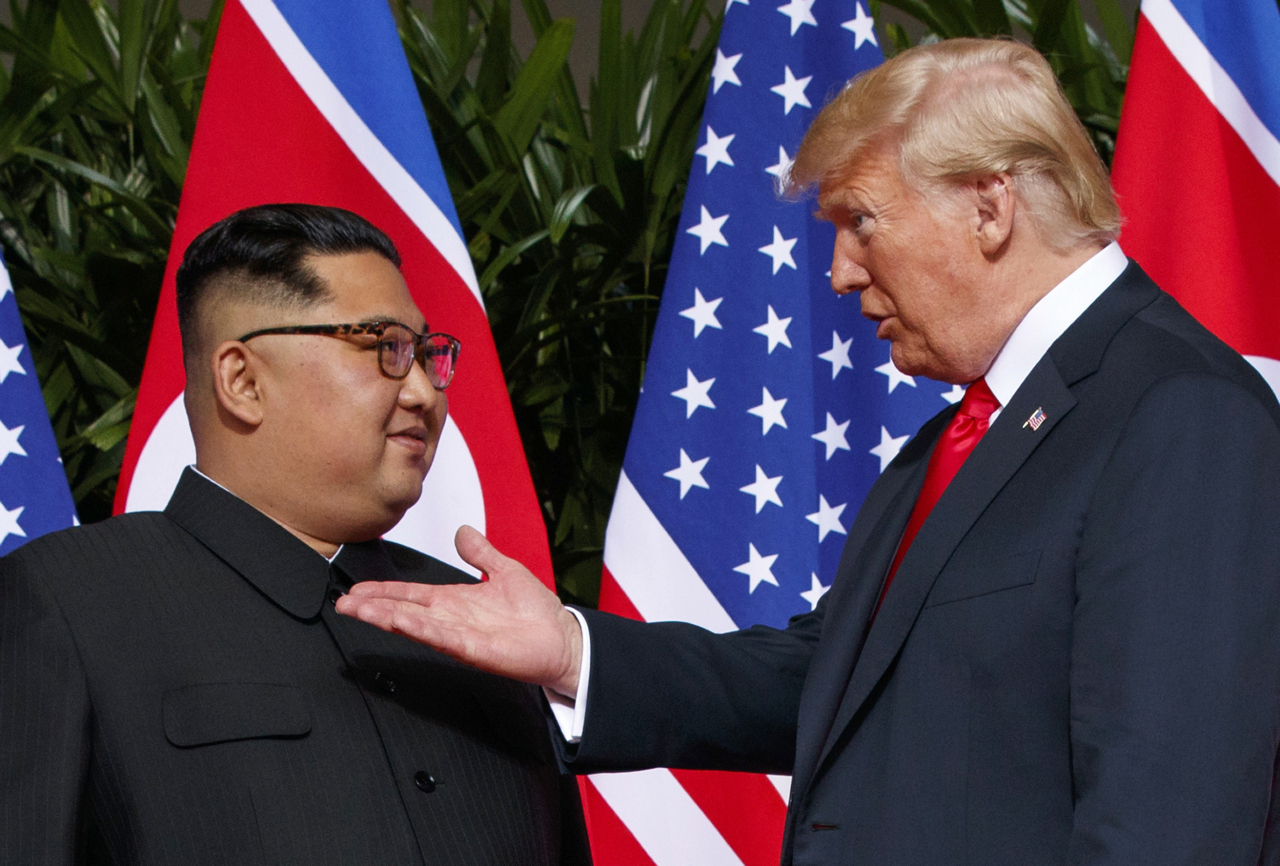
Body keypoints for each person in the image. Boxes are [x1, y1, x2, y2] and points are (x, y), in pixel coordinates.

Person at [336, 39, 1280, 865]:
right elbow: (835, 678)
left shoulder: (1179, 413)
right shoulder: (960, 439)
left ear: (990, 206)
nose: (838, 273)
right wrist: (572, 652)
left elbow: (1173, 815)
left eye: (862, 221)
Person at [0, 204, 590, 866]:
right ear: (243, 381)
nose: (424, 390)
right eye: (385, 348)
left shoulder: (484, 620)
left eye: (427, 353)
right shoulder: (69, 601)